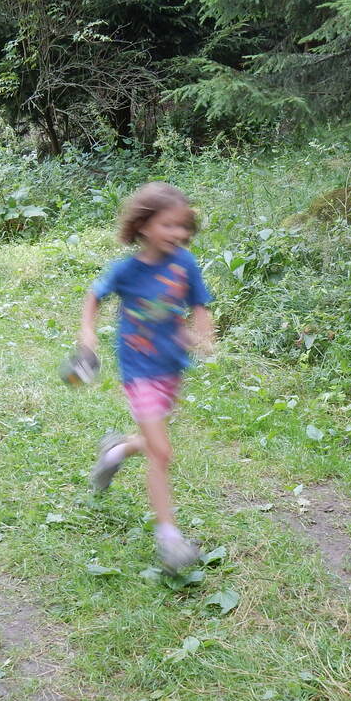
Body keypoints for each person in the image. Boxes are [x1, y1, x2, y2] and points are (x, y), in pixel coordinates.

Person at [79, 182, 214, 572]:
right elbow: (94, 297)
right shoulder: (127, 270)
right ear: (143, 225)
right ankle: (169, 541)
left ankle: (115, 452)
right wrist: (87, 334)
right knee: (161, 452)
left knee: (153, 442)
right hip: (138, 370)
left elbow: (199, 305)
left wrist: (203, 336)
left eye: (183, 226)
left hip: (171, 367)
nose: (179, 233)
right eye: (169, 225)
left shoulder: (185, 264)